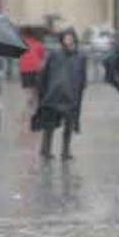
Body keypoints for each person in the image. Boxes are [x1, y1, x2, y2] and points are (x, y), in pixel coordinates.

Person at [32, 28, 87, 160]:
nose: (68, 40)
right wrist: (43, 89)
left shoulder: (80, 56)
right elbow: (45, 73)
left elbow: (82, 76)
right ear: (62, 39)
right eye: (65, 37)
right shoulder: (55, 55)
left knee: (69, 125)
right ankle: (46, 150)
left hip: (71, 95)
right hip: (54, 94)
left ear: (74, 38)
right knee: (49, 124)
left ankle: (65, 151)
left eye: (70, 37)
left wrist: (80, 88)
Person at [19, 31, 46, 119]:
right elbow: (43, 58)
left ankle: (28, 110)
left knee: (28, 92)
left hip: (25, 70)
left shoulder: (21, 43)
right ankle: (34, 111)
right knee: (36, 92)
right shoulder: (39, 44)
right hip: (36, 69)